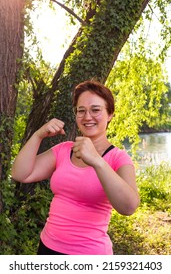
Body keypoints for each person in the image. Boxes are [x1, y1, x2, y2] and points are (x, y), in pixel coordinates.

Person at [11, 80, 140, 255]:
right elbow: (20, 174)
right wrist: (38, 135)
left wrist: (96, 160)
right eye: (81, 110)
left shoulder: (118, 158)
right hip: (47, 248)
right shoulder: (64, 150)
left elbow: (129, 207)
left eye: (95, 110)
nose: (87, 117)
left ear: (110, 114)